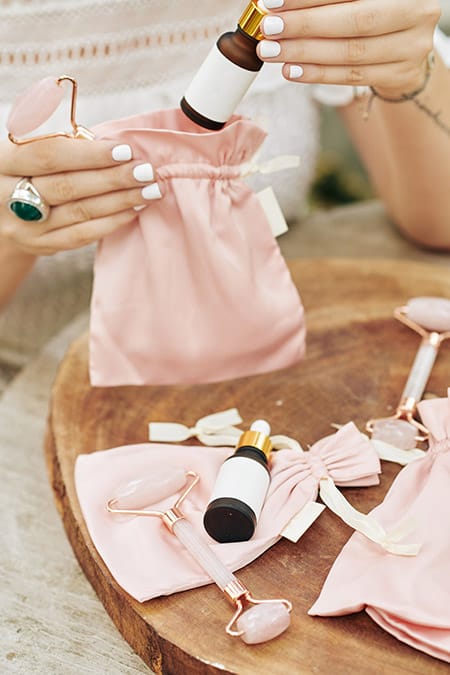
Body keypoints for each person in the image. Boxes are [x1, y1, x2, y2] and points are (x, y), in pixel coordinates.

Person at [0, 0, 449, 369]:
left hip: (275, 348)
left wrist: (408, 70)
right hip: (31, 382)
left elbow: (440, 220)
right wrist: (14, 237)